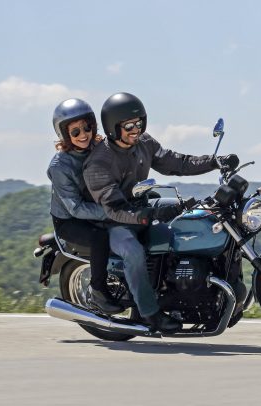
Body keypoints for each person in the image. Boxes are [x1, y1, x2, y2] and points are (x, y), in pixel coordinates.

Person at [83, 92, 238, 332]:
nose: (136, 130)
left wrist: (215, 162)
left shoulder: (144, 143)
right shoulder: (99, 163)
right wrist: (150, 215)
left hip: (141, 205)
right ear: (113, 128)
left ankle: (190, 287)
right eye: (129, 126)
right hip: (113, 221)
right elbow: (115, 208)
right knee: (133, 251)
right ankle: (150, 313)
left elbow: (176, 162)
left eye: (139, 123)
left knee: (194, 214)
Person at [47, 98, 123, 314]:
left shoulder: (100, 148)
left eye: (87, 127)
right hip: (70, 220)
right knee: (99, 238)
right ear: (64, 134)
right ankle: (98, 291)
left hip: (96, 208)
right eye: (75, 131)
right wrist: (111, 213)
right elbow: (76, 208)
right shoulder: (60, 166)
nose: (83, 134)